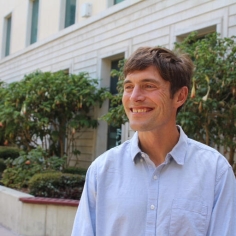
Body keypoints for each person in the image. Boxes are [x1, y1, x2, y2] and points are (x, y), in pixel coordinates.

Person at [71, 47, 236, 236]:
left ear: (180, 96)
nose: (134, 97)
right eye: (128, 87)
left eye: (149, 86)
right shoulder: (102, 171)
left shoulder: (215, 172)